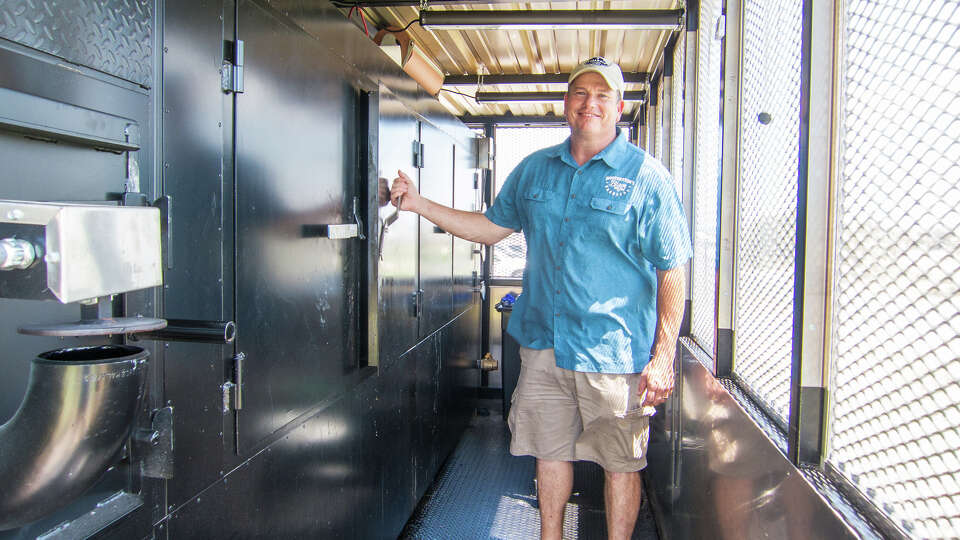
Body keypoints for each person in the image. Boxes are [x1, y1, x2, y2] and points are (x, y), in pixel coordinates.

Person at [390, 57, 692, 540]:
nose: (589, 103)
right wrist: (419, 203)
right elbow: (489, 228)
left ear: (619, 106)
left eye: (601, 95)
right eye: (579, 93)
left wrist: (663, 356)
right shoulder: (535, 170)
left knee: (621, 464)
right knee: (549, 453)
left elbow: (673, 267)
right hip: (544, 347)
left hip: (612, 355)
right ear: (566, 103)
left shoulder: (647, 178)